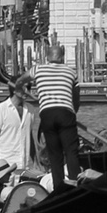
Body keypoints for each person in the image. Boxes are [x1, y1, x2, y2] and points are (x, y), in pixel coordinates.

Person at [30, 44, 81, 191]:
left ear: (47, 57)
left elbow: (23, 79)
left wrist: (20, 85)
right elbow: (76, 98)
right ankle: (75, 183)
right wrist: (73, 112)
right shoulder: (71, 72)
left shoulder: (38, 69)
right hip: (66, 113)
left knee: (54, 153)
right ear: (62, 57)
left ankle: (59, 187)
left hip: (46, 114)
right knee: (71, 150)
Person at [0, 75, 38, 174]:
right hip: (4, 167)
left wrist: (36, 161)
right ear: (14, 90)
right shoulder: (1, 109)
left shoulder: (30, 110)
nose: (28, 91)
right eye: (25, 88)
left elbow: (29, 137)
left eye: (29, 88)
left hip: (23, 167)